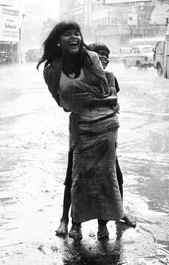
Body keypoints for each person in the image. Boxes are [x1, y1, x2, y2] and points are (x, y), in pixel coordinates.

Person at [39, 21, 123, 240]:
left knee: (106, 176)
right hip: (80, 127)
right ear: (58, 40)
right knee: (78, 177)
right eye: (68, 34)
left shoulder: (91, 58)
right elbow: (62, 102)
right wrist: (87, 96)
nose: (74, 37)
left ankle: (103, 224)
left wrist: (79, 97)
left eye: (77, 33)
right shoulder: (52, 70)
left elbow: (105, 91)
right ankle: (76, 224)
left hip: (106, 126)